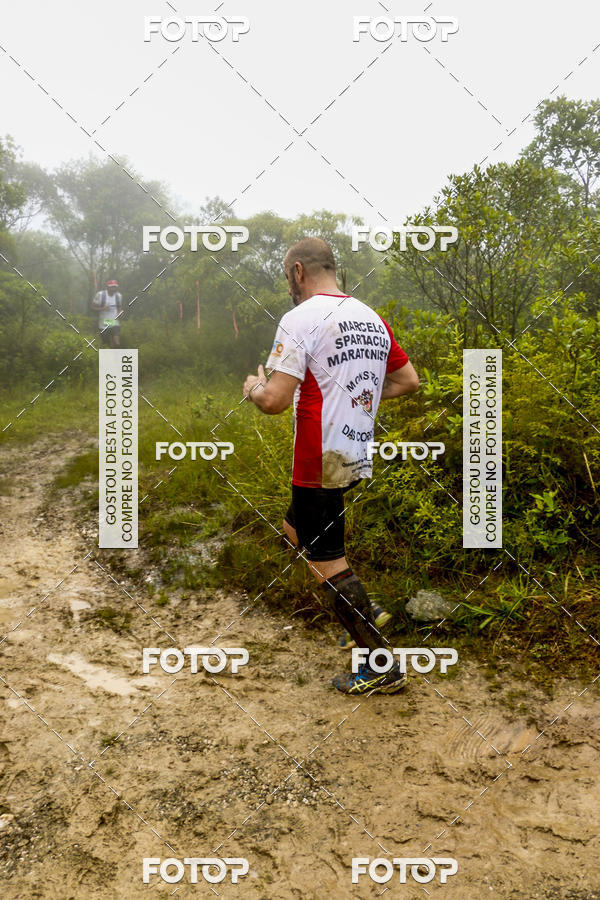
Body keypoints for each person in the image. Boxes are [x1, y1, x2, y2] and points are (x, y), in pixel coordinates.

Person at [243, 237, 419, 695]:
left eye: (288, 279)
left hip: (317, 458)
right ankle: (362, 609)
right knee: (295, 530)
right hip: (353, 452)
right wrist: (354, 397)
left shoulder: (299, 318)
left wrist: (254, 389)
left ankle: (381, 666)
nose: (290, 288)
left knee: (326, 562)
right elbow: (407, 380)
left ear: (298, 272)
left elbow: (276, 402)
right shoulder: (370, 317)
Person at [92, 279, 122, 347]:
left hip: (114, 321)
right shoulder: (100, 295)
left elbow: (119, 306)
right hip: (103, 323)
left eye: (115, 287)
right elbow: (93, 308)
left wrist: (120, 312)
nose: (114, 288)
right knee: (106, 344)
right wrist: (103, 308)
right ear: (107, 287)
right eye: (112, 287)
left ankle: (118, 354)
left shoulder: (118, 296)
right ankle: (107, 355)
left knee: (116, 342)